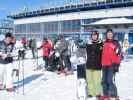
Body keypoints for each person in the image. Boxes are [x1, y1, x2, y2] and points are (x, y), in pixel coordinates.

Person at [101, 29, 121, 100]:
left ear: (113, 34)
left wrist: (117, 65)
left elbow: (118, 55)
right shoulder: (103, 43)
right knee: (103, 81)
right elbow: (101, 54)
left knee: (109, 80)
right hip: (104, 64)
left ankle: (115, 95)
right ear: (106, 35)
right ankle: (106, 95)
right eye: (108, 34)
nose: (109, 35)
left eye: (110, 34)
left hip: (112, 65)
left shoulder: (115, 43)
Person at [83, 31, 103, 98]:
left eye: (95, 35)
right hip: (89, 65)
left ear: (97, 36)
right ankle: (91, 93)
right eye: (93, 35)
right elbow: (82, 50)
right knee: (89, 80)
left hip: (97, 65)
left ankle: (97, 93)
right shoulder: (88, 43)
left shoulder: (101, 44)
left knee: (97, 80)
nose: (94, 36)